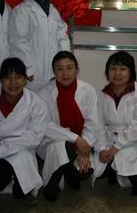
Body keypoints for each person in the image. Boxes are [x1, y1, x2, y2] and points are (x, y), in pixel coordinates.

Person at [0, 57, 47, 206]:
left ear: (25, 80)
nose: (13, 82)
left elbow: (35, 136)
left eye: (18, 77)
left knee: (21, 164)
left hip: (20, 146)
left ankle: (22, 188)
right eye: (8, 77)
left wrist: (3, 149)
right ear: (0, 80)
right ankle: (10, 179)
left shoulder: (36, 103)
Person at [37, 51, 102, 202]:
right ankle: (51, 186)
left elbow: (93, 123)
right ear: (54, 71)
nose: (65, 73)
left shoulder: (88, 90)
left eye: (69, 68)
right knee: (62, 147)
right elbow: (45, 125)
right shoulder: (43, 93)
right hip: (51, 142)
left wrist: (83, 151)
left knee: (84, 172)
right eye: (60, 69)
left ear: (77, 69)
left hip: (83, 143)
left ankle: (70, 175)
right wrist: (75, 139)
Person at [96, 51, 137, 196]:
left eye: (122, 69)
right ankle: (114, 171)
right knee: (95, 164)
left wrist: (115, 148)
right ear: (107, 71)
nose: (117, 73)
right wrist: (102, 148)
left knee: (124, 156)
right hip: (111, 139)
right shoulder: (102, 94)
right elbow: (99, 124)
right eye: (113, 68)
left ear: (131, 72)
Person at [8, 0, 70, 92]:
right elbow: (18, 42)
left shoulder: (53, 11)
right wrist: (27, 69)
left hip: (53, 72)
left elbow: (62, 37)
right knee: (31, 102)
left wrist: (64, 64)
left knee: (52, 102)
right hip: (32, 75)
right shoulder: (21, 11)